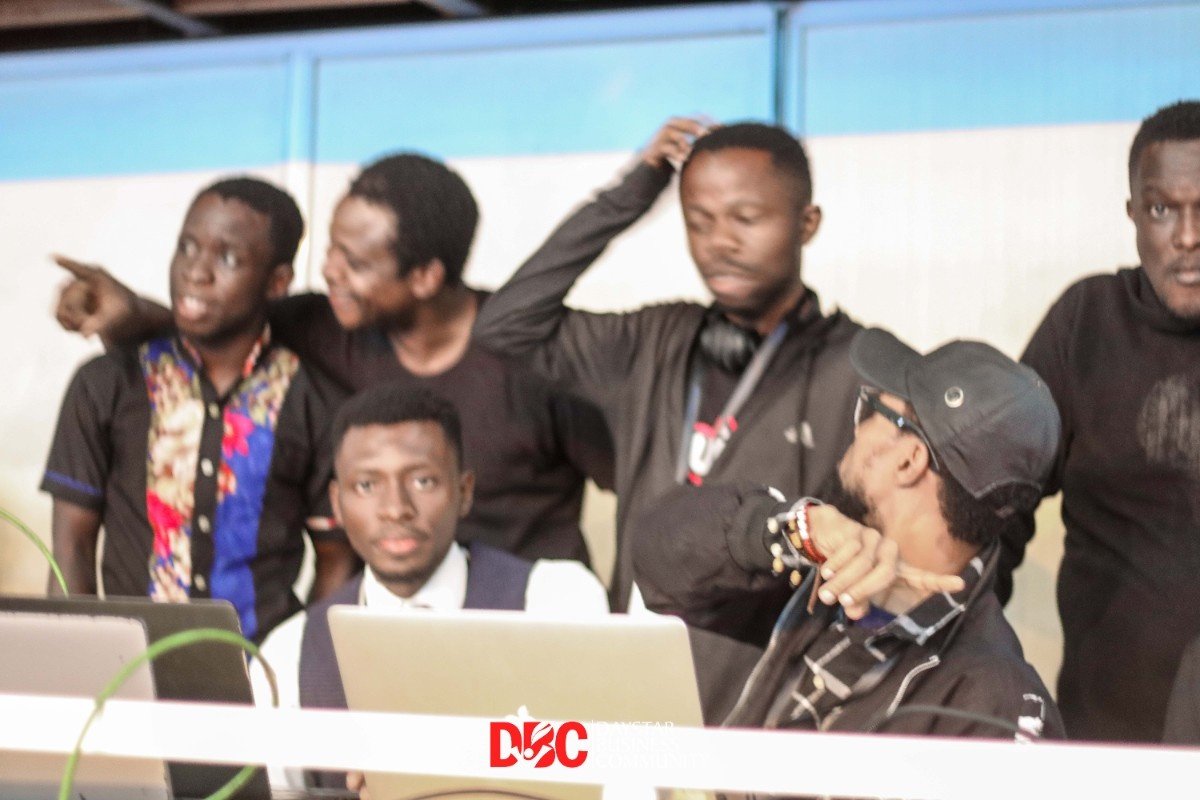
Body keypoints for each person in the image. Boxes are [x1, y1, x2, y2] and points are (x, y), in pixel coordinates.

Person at [53, 153, 613, 568]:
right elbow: (222, 324)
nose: (329, 272)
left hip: (532, 628)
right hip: (398, 626)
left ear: (424, 277)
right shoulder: (328, 327)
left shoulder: (539, 356)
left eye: (355, 262)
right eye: (331, 250)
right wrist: (132, 315)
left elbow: (636, 477)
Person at [474, 118, 861, 615]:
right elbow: (504, 326)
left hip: (771, 657)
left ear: (807, 224)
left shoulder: (857, 367)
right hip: (637, 646)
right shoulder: (652, 341)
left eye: (745, 219)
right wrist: (632, 193)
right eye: (699, 222)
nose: (719, 241)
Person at [634, 328, 1064, 737]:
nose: (856, 427)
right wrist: (794, 534)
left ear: (909, 461)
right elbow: (656, 560)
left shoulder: (999, 707)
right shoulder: (814, 560)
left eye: (873, 408)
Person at [42, 177, 357, 642]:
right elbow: (72, 546)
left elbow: (337, 560)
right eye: (186, 247)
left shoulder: (315, 403)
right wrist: (80, 659)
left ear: (277, 282)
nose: (196, 272)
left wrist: (300, 661)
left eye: (227, 258)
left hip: (261, 669)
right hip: (131, 663)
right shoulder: (107, 384)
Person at [249, 384, 608, 790]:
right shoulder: (289, 653)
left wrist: (453, 759)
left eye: (422, 481)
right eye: (367, 485)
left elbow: (607, 761)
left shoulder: (555, 603)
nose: (396, 508)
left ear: (464, 491)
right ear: (337, 503)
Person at [1003, 100, 1200, 742]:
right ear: (1133, 214)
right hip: (1110, 740)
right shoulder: (1086, 324)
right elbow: (995, 510)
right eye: (1162, 209)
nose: (1188, 236)